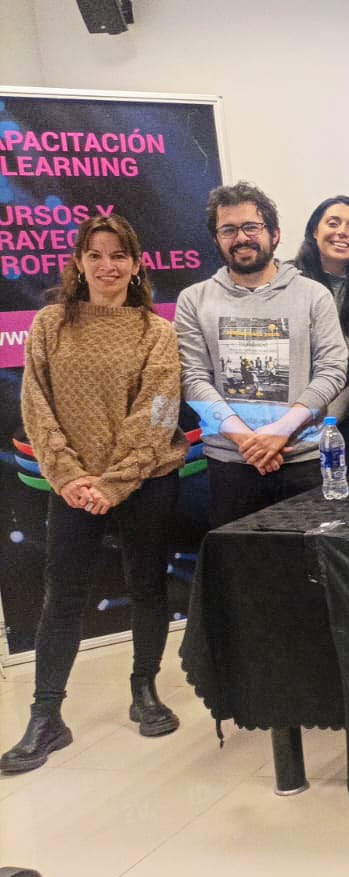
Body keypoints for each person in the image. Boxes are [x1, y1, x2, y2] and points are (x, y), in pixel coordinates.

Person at [3, 215, 189, 773]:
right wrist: (69, 477)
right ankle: (46, 717)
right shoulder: (49, 324)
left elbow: (158, 412)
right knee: (62, 596)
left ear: (136, 266)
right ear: (79, 262)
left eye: (119, 256)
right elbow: (36, 406)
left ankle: (144, 690)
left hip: (146, 481)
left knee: (147, 586)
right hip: (75, 486)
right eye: (96, 254)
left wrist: (113, 483)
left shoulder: (155, 331)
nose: (108, 266)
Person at [176, 182, 347, 527]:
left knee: (311, 573)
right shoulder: (194, 300)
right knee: (244, 574)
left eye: (251, 227)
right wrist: (246, 440)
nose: (241, 237)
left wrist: (281, 431)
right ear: (217, 239)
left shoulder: (313, 295)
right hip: (230, 465)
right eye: (229, 229)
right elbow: (192, 379)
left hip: (302, 461)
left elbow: (332, 370)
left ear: (275, 234)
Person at [291, 196, 349, 474]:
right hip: (283, 426)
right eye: (333, 223)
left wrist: (327, 422)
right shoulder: (286, 282)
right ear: (314, 231)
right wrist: (293, 422)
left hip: (344, 423)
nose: (343, 232)